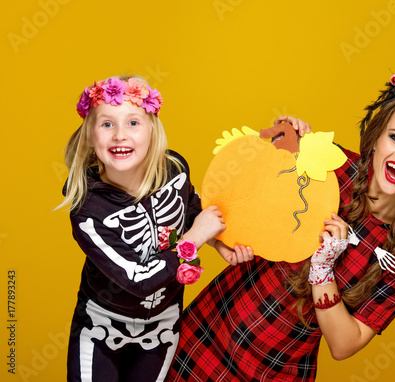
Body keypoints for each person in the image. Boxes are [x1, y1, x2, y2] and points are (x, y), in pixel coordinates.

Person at [167, 58, 395, 381]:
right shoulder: (331, 166)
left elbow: (344, 345)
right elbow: (232, 200)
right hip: (207, 333)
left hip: (274, 373)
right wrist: (280, 142)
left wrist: (323, 269)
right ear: (376, 140)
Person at [58, 75, 254, 382]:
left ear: (153, 131)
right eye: (107, 124)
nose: (120, 135)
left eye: (133, 123)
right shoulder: (89, 210)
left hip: (162, 327)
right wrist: (195, 238)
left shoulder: (175, 169)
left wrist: (218, 242)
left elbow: (191, 211)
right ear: (89, 138)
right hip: (102, 329)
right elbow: (137, 278)